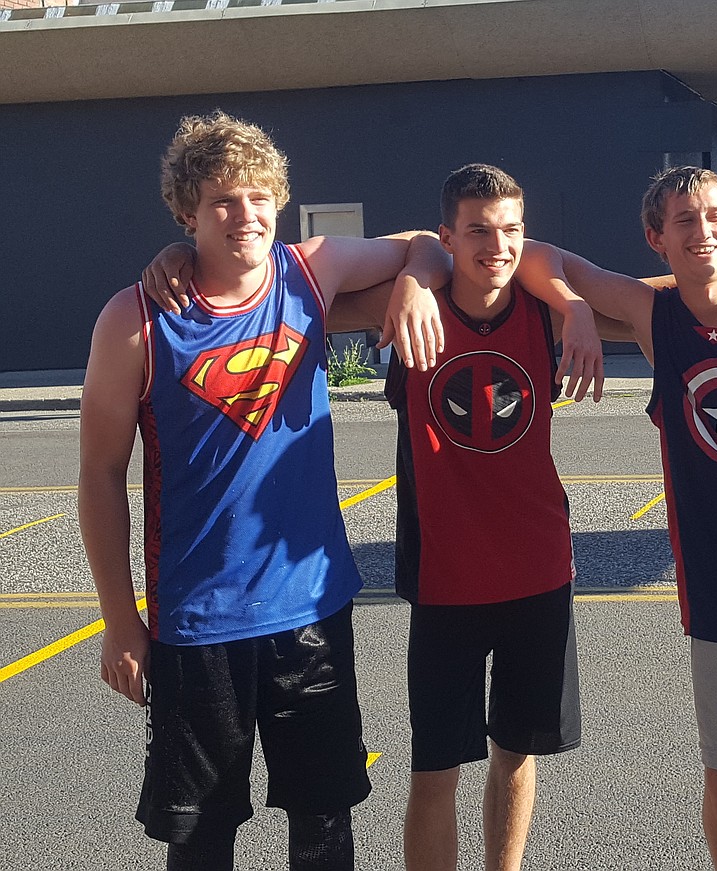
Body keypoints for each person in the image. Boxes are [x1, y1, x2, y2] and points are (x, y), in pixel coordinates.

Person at [391, 165, 717, 871]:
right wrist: (570, 304)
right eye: (683, 220)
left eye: (714, 215)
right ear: (655, 238)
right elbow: (543, 256)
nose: (702, 231)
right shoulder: (656, 316)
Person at [78, 111, 446, 871]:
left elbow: (430, 244)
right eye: (220, 200)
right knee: (202, 836)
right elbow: (98, 474)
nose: (244, 214)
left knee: (323, 824)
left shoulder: (310, 271)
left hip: (310, 607)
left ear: (279, 199)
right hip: (196, 620)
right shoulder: (136, 319)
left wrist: (413, 284)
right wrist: (120, 621)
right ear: (186, 212)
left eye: (257, 196)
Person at [328, 163, 620, 871]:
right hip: (445, 580)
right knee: (435, 771)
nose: (498, 245)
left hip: (538, 573)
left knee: (516, 756)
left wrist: (576, 302)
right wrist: (413, 274)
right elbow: (288, 291)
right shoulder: (404, 311)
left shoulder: (540, 306)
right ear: (448, 238)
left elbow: (663, 296)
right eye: (478, 231)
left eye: (510, 229)